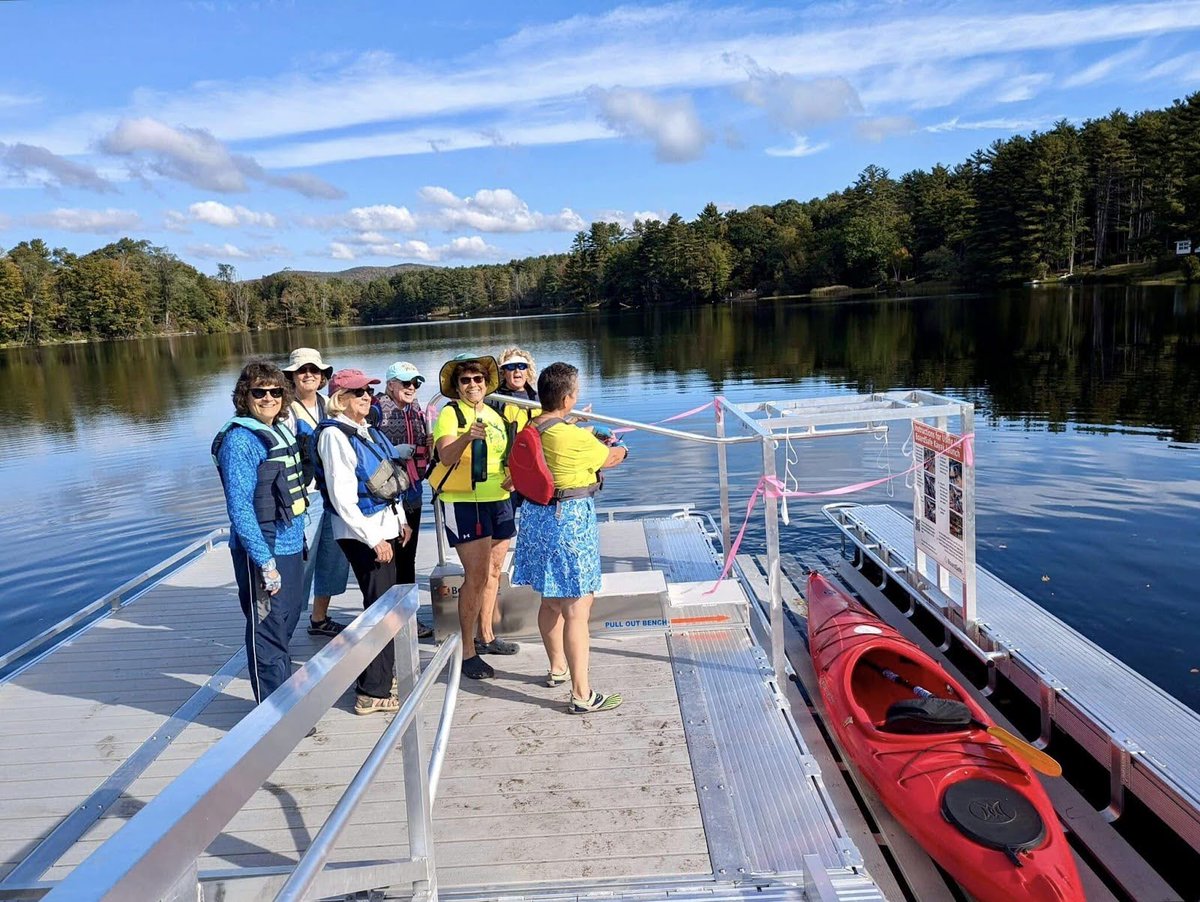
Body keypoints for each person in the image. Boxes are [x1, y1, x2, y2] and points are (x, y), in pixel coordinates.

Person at [511, 362, 629, 714]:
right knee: (577, 608)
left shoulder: (532, 426)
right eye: (575, 393)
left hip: (535, 519)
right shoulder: (574, 438)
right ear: (568, 398)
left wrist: (577, 423)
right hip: (569, 522)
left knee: (550, 600)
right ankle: (582, 695)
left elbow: (557, 433)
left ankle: (557, 668)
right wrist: (620, 446)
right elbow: (609, 457)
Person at [316, 368, 413, 715]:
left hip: (384, 528)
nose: (366, 397)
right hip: (363, 535)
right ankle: (371, 691)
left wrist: (400, 521)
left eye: (367, 391)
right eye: (357, 393)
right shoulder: (334, 437)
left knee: (385, 607)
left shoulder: (364, 430)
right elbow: (343, 499)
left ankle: (380, 677)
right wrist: (374, 539)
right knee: (379, 611)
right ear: (339, 400)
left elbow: (387, 478)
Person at [212, 361, 310, 705]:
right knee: (267, 630)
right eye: (259, 392)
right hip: (264, 549)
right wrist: (264, 561)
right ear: (245, 396)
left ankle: (286, 697)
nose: (268, 398)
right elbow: (239, 507)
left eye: (275, 392)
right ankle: (274, 711)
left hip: (290, 542)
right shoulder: (241, 441)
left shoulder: (281, 427)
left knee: (288, 617)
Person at [430, 354, 518, 679]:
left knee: (494, 570)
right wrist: (468, 436)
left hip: (500, 499)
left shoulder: (496, 415)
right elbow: (445, 454)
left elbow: (505, 457)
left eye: (477, 379)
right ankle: (467, 652)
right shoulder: (450, 414)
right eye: (465, 380)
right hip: (465, 501)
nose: (472, 385)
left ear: (486, 384)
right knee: (476, 575)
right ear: (457, 386)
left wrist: (514, 477)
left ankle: (487, 635)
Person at [281, 347, 350, 639]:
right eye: (302, 370)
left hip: (331, 495)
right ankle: (281, 629)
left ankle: (319, 618)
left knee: (333, 559)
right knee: (301, 565)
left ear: (323, 376)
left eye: (314, 370)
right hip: (304, 499)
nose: (308, 375)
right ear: (292, 377)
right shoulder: (285, 411)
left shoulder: (330, 405)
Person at [376, 361, 434, 639]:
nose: (411, 388)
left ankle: (408, 618)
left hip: (413, 490)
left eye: (415, 383)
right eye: (406, 383)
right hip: (387, 495)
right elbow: (364, 449)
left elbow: (424, 446)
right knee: (389, 558)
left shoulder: (417, 411)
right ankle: (389, 619)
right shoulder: (376, 410)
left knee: (408, 557)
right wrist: (392, 451)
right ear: (390, 384)